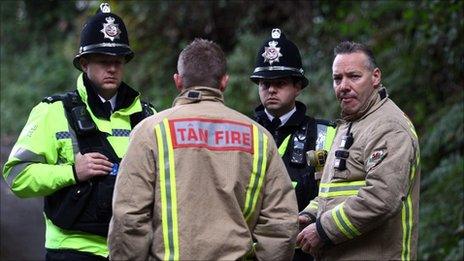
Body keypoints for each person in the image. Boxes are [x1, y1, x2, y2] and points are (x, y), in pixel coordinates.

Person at [108, 38, 299, 260]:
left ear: (178, 81)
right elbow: (281, 224)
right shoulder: (259, 137)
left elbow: (129, 218)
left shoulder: (150, 132)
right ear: (224, 82)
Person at [2, 3, 155, 260]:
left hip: (131, 250)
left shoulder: (148, 116)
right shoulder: (53, 111)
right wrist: (72, 172)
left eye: (118, 61)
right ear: (84, 63)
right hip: (73, 249)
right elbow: (16, 176)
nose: (113, 69)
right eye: (104, 61)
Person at [296, 41, 421, 260]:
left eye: (353, 76)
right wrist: (311, 214)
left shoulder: (388, 127)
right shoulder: (350, 124)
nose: (343, 85)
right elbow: (336, 190)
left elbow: (382, 198)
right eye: (337, 78)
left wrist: (323, 230)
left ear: (375, 77)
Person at [250, 28, 336, 261]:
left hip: (304, 250)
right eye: (264, 83)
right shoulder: (242, 132)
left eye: (280, 82)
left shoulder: (321, 134)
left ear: (298, 86)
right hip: (251, 250)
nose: (271, 89)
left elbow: (330, 192)